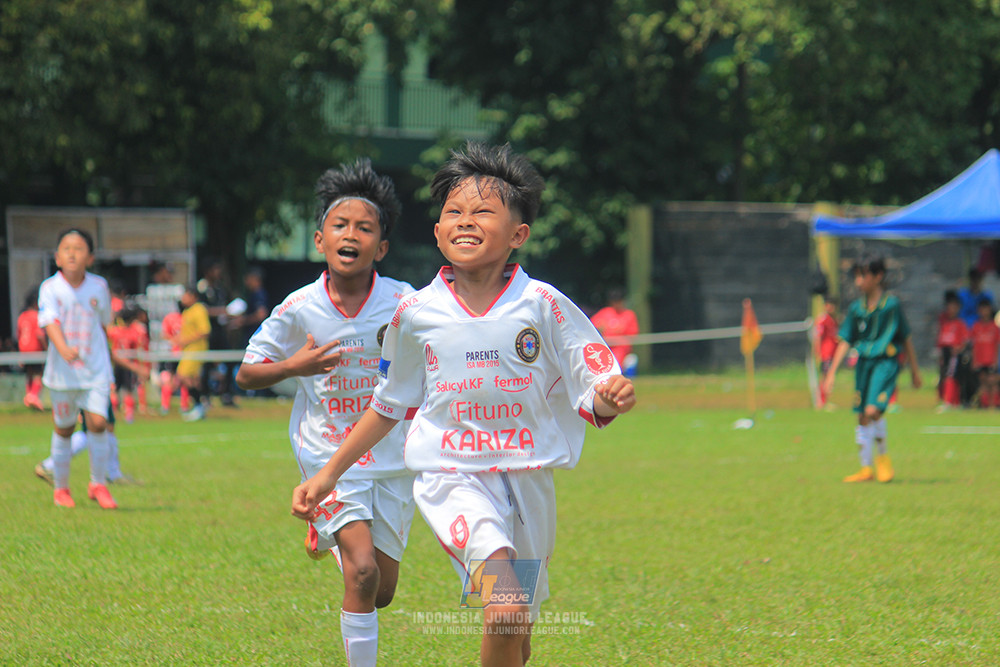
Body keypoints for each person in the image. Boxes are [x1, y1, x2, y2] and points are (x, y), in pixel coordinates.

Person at [290, 143, 636, 667]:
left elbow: (592, 383)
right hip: (453, 479)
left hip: (528, 483)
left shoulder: (541, 304)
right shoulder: (417, 313)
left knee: (517, 630)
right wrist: (328, 474)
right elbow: (389, 405)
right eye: (454, 212)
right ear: (437, 232)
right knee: (504, 606)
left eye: (483, 212)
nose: (465, 221)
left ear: (518, 234)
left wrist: (609, 398)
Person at [236, 159, 415, 667]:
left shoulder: (406, 303)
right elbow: (247, 373)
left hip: (392, 457)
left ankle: (327, 532)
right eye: (340, 224)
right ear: (320, 239)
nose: (350, 233)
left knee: (381, 589)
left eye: (365, 227)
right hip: (327, 454)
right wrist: (297, 364)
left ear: (380, 247)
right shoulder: (299, 307)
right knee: (361, 573)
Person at [37, 228, 118, 509]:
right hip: (62, 375)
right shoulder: (50, 288)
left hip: (95, 370)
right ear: (57, 257)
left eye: (79, 248)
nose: (72, 253)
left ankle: (98, 484)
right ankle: (61, 489)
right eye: (66, 248)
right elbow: (50, 322)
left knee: (98, 423)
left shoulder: (99, 287)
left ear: (91, 257)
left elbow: (106, 323)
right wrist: (62, 348)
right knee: (65, 428)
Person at [821, 256, 922, 484]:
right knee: (861, 416)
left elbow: (906, 338)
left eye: (863, 275)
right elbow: (846, 340)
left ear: (878, 277)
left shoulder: (892, 306)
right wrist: (831, 374)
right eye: (856, 275)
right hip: (864, 365)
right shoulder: (857, 309)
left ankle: (883, 459)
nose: (858, 281)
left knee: (871, 410)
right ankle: (866, 469)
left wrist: (915, 371)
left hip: (885, 363)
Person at [35, 404, 140, 487]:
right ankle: (48, 465)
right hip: (89, 386)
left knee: (108, 427)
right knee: (92, 430)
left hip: (97, 384)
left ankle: (113, 473)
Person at [197, 257, 237, 407]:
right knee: (206, 364)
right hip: (207, 332)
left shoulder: (220, 288)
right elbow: (201, 310)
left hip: (220, 331)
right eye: (215, 269)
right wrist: (222, 311)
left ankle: (226, 394)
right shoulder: (201, 288)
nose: (218, 273)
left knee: (230, 359)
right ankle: (205, 395)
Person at [173, 285, 211, 421]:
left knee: (182, 376)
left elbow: (205, 331)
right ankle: (201, 405)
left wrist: (185, 340)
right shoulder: (187, 311)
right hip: (188, 350)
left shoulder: (199, 309)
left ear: (193, 296)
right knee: (193, 380)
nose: (183, 298)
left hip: (196, 350)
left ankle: (199, 405)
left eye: (186, 295)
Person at [590, 288, 640, 375]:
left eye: (619, 301)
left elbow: (633, 333)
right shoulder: (605, 312)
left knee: (617, 360)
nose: (617, 304)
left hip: (621, 348)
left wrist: (617, 331)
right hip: (605, 346)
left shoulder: (629, 314)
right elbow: (593, 325)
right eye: (615, 301)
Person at [935, 290, 969, 409]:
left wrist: (959, 349)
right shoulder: (945, 323)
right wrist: (939, 351)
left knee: (952, 376)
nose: (951, 309)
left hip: (954, 353)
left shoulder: (960, 323)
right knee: (944, 376)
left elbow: (965, 339)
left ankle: (950, 401)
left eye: (954, 307)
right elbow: (940, 339)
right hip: (945, 352)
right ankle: (951, 401)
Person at [17, 286, 47, 411]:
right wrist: (46, 348)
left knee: (29, 374)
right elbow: (39, 335)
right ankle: (33, 396)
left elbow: (19, 335)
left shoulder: (22, 316)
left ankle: (29, 397)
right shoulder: (36, 316)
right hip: (35, 350)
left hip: (24, 349)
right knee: (38, 374)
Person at [970, 296, 1000, 408]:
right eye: (982, 309)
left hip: (991, 360)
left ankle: (993, 405)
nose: (984, 312)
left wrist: (996, 361)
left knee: (992, 382)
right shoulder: (976, 327)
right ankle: (984, 405)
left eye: (986, 309)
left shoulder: (994, 327)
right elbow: (974, 346)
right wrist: (974, 360)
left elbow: (997, 346)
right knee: (983, 383)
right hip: (980, 360)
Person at [814, 296, 839, 409]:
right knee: (825, 377)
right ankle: (822, 402)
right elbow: (817, 337)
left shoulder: (834, 320)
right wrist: (818, 353)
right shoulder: (823, 320)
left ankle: (825, 400)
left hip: (833, 354)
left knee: (828, 376)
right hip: (826, 353)